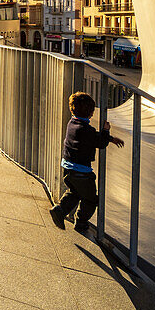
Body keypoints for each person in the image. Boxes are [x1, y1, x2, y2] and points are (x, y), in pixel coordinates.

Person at [48, 91, 124, 235]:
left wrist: (110, 138)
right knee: (90, 199)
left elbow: (92, 138)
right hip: (82, 171)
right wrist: (106, 132)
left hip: (68, 168)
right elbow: (100, 142)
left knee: (75, 192)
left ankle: (60, 210)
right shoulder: (87, 129)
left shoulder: (72, 123)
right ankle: (81, 222)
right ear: (91, 113)